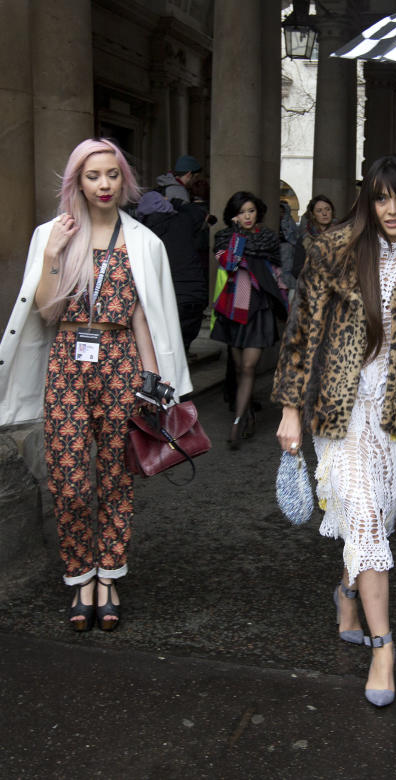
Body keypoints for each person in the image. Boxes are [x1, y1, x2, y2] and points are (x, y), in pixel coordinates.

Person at [272, 154, 396, 707]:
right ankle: (385, 649)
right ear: (368, 199)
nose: (392, 209)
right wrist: (290, 409)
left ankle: (346, 592)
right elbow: (303, 333)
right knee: (365, 523)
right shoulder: (334, 249)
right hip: (340, 412)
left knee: (377, 520)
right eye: (382, 197)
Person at [0, 137, 191, 632]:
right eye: (92, 176)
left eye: (111, 174)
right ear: (77, 182)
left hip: (122, 364)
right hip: (67, 360)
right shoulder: (53, 233)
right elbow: (44, 311)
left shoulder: (144, 241)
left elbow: (144, 317)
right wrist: (56, 256)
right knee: (67, 478)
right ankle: (79, 573)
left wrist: (155, 380)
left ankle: (108, 577)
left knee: (115, 476)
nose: (103, 184)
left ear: (122, 178)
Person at [210, 191, 287, 449]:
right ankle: (248, 414)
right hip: (234, 309)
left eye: (251, 211)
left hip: (259, 309)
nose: (247, 216)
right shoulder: (225, 238)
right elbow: (229, 264)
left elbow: (277, 274)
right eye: (242, 211)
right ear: (234, 215)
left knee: (248, 367)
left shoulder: (268, 239)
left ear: (258, 213)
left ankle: (237, 422)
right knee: (239, 366)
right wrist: (238, 237)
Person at [135, 191, 210, 354]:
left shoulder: (143, 231)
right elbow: (200, 212)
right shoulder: (184, 220)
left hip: (170, 298)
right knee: (182, 350)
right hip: (196, 295)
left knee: (167, 354)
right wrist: (176, 201)